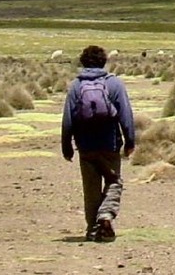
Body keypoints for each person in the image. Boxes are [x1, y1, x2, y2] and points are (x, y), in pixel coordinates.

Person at [60, 44, 135, 242]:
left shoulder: (76, 86)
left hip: (86, 147)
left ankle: (93, 229)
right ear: (104, 61)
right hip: (110, 144)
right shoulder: (115, 84)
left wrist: (66, 145)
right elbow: (126, 115)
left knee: (91, 187)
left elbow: (68, 119)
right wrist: (130, 140)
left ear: (83, 62)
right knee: (113, 181)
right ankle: (105, 216)